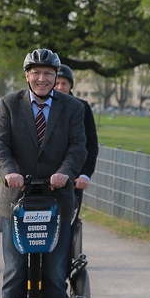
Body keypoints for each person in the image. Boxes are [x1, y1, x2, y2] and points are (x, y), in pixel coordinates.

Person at [0, 49, 87, 298]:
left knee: (55, 277)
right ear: (27, 75)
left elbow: (78, 147)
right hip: (17, 202)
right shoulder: (9, 103)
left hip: (56, 202)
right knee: (17, 274)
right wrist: (9, 172)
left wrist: (66, 172)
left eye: (48, 73)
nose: (42, 78)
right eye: (37, 72)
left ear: (56, 76)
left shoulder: (72, 107)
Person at [54, 64, 99, 207]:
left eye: (64, 83)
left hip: (73, 176)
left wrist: (85, 174)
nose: (60, 87)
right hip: (46, 177)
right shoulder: (42, 106)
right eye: (57, 83)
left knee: (68, 221)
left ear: (70, 85)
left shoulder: (82, 107)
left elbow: (90, 144)